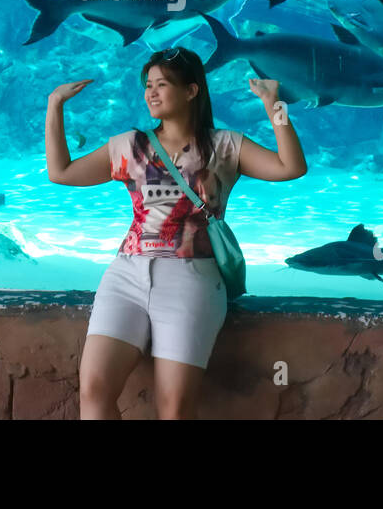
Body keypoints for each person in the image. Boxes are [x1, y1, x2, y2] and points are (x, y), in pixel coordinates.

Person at [45, 46, 308, 419]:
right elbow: (61, 173)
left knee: (174, 409)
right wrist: (55, 105)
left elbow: (290, 167)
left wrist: (273, 104)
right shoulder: (128, 145)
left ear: (191, 90)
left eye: (162, 84)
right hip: (125, 275)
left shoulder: (224, 146)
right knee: (94, 389)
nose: (151, 92)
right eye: (148, 85)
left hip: (192, 279)